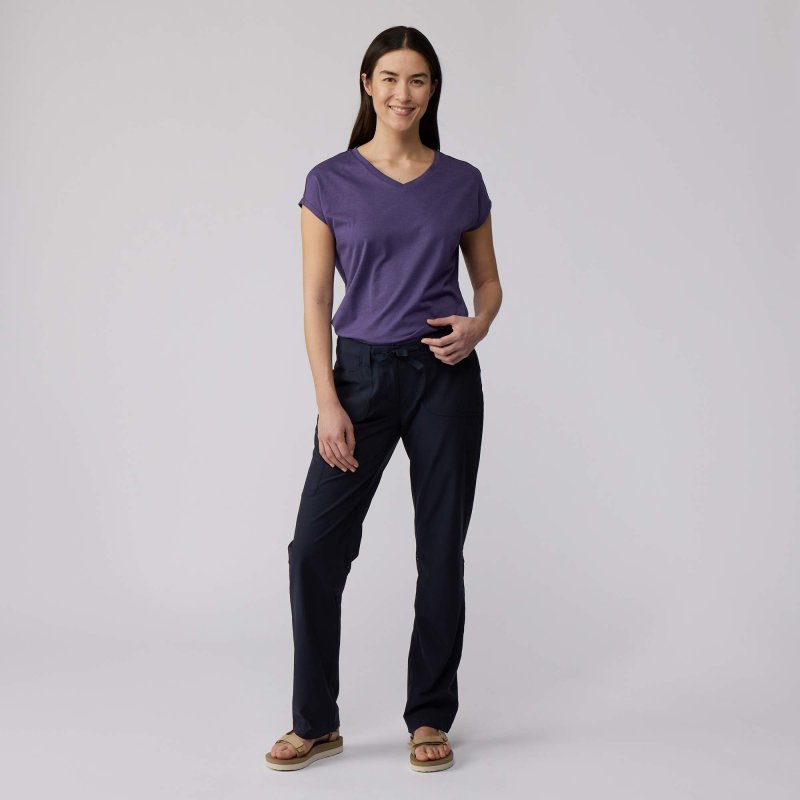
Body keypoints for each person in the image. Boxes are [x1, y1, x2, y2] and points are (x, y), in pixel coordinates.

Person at [265, 25, 502, 773]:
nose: (404, 93)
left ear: (433, 91)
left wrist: (477, 326)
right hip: (360, 378)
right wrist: (328, 402)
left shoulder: (461, 181)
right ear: (368, 84)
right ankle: (315, 722)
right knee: (314, 549)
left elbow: (488, 282)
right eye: (391, 78)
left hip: (443, 375)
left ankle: (430, 716)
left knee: (440, 548)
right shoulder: (329, 182)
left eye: (419, 80)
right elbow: (314, 302)